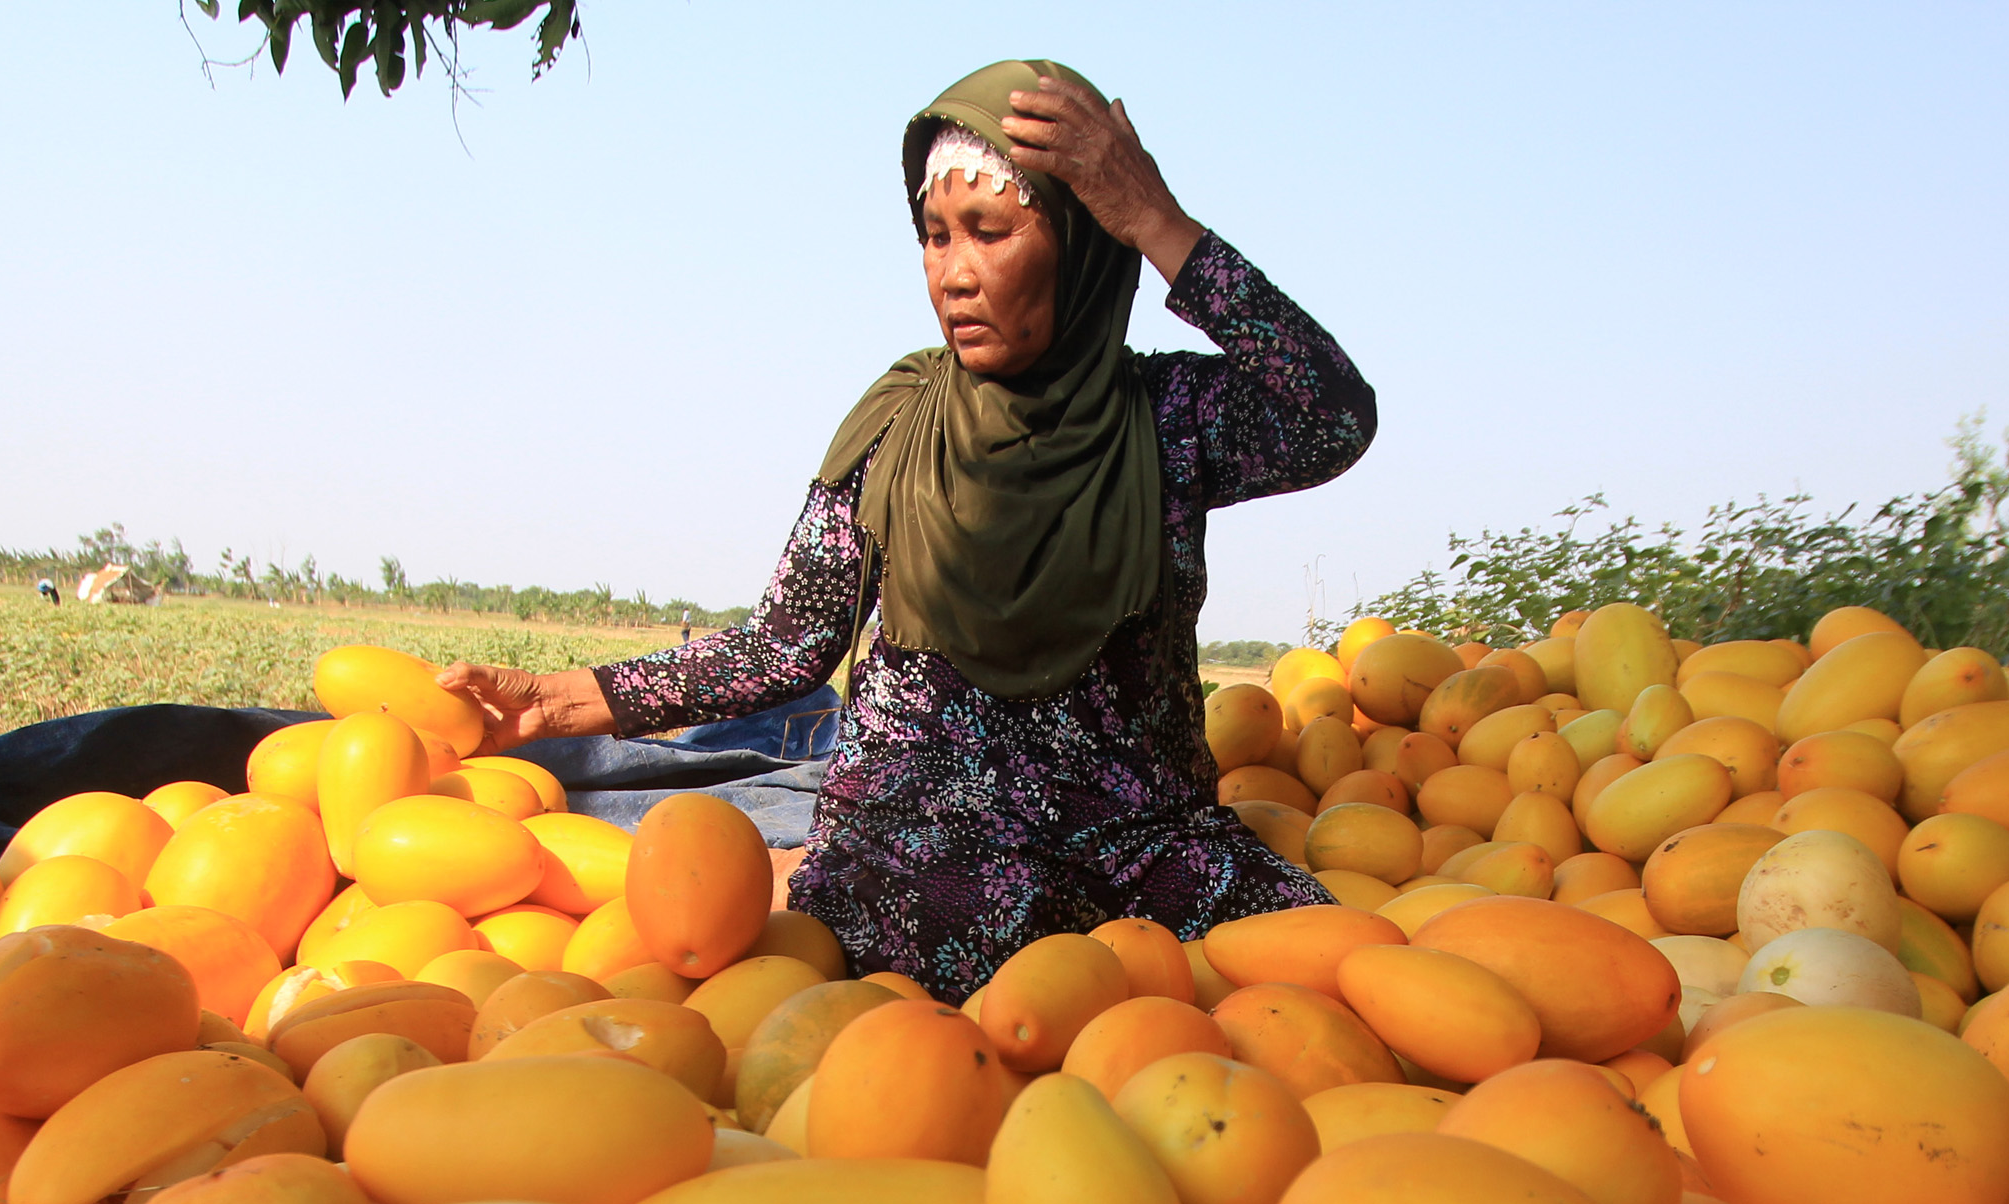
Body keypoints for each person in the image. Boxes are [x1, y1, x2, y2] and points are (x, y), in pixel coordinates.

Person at [437, 59, 1374, 998]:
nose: (954, 274)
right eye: (935, 236)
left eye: (991, 232)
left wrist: (1155, 218)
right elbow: (785, 645)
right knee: (990, 940)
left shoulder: (1166, 420)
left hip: (1140, 840)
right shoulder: (900, 421)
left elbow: (1333, 415)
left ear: (1085, 243)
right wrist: (555, 705)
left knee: (1331, 958)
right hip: (925, 832)